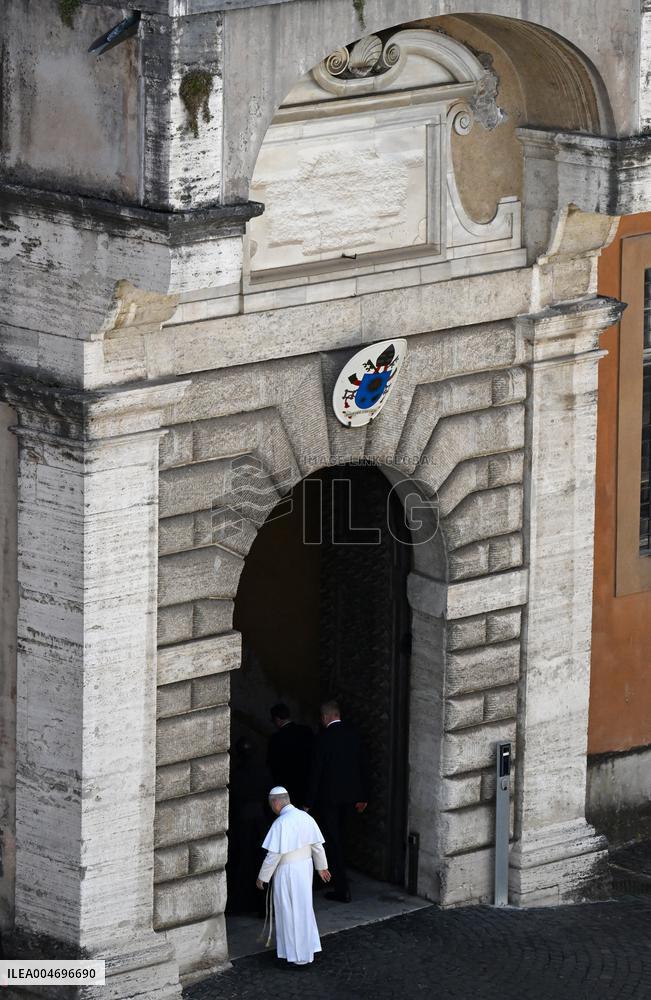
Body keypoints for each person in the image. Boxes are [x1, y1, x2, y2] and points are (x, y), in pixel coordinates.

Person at [256, 786, 331, 967]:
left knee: (290, 912)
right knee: (304, 908)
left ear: (275, 803)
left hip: (287, 871)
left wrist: (262, 877)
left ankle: (297, 957)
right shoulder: (306, 817)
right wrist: (321, 867)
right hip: (305, 869)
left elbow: (273, 855)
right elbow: (317, 846)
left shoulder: (280, 823)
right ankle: (309, 948)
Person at [305, 699, 368, 903]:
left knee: (333, 843)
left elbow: (316, 773)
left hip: (330, 800)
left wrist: (308, 802)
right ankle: (342, 881)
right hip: (351, 799)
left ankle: (341, 888)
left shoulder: (322, 739)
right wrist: (363, 796)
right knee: (345, 839)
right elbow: (362, 766)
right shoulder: (354, 734)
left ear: (325, 717)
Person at [227, 737, 272, 915]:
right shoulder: (264, 771)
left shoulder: (237, 774)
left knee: (243, 861)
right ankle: (263, 904)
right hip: (261, 821)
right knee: (262, 861)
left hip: (243, 822)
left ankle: (243, 902)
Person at [267, 702, 314, 805]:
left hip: (286, 789)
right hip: (306, 785)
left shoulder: (276, 739)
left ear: (277, 720)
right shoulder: (306, 731)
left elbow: (272, 766)